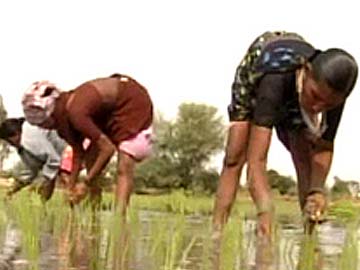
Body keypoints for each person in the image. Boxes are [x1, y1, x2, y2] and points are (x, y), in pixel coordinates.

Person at [213, 31, 358, 237]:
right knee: (235, 155)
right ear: (306, 71)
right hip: (262, 70)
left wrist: (317, 191)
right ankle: (217, 234)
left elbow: (324, 146)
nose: (318, 107)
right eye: (315, 96)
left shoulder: (332, 93)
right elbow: (256, 162)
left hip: (296, 85)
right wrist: (265, 210)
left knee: (303, 155)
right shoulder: (274, 82)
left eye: (328, 104)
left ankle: (310, 238)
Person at [21, 74, 153, 214]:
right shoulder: (62, 122)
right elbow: (78, 153)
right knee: (91, 158)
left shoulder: (76, 111)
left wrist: (85, 183)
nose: (47, 128)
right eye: (41, 125)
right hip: (106, 111)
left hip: (130, 100)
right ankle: (93, 210)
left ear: (53, 109)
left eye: (46, 122)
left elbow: (108, 149)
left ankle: (120, 217)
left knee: (124, 164)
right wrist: (71, 187)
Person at [0, 117, 70, 201]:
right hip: (60, 157)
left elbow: (53, 160)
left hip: (69, 150)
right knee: (50, 182)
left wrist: (43, 181)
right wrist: (13, 191)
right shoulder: (24, 147)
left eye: (9, 141)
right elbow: (31, 171)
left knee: (67, 182)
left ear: (16, 134)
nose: (10, 144)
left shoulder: (29, 139)